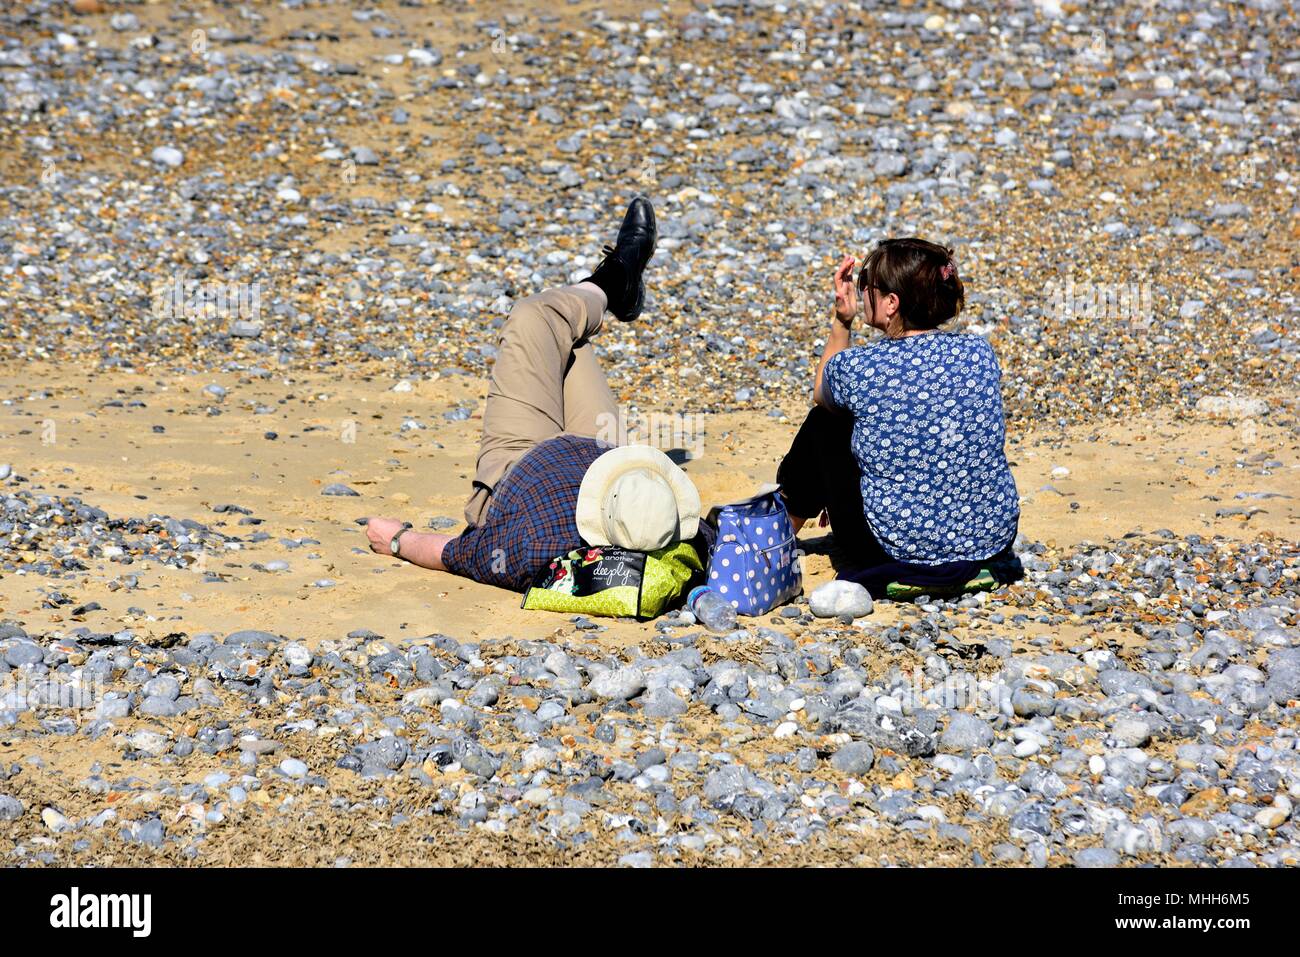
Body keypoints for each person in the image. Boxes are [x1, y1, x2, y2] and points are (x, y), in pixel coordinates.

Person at [363, 198, 707, 591]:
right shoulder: (683, 540)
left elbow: (455, 553)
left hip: (520, 466)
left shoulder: (532, 544)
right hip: (604, 458)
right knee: (565, 338)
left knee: (536, 317)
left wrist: (396, 540)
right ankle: (613, 283)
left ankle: (611, 282)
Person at [776, 238, 1021, 597]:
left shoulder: (860, 367)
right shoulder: (979, 352)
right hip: (988, 540)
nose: (861, 297)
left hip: (894, 548)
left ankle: (779, 532)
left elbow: (821, 393)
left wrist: (842, 321)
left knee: (825, 423)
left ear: (892, 303)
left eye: (867, 288)